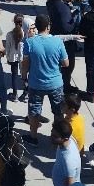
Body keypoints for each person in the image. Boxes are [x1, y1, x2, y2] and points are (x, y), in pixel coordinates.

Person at [22, 14, 69, 145]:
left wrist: (24, 77)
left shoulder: (29, 42)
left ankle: (33, 137)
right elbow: (66, 63)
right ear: (48, 26)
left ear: (36, 26)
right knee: (58, 111)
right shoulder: (57, 42)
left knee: (34, 111)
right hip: (56, 84)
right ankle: (58, 136)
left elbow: (25, 63)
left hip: (36, 84)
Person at [51, 117, 81, 186]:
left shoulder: (68, 161)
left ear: (65, 139)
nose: (51, 137)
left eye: (55, 136)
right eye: (52, 133)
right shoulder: (70, 138)